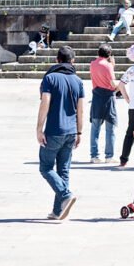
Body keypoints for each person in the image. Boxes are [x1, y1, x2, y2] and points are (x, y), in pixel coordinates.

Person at [36, 45, 85, 220]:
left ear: (57, 60)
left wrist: (39, 128)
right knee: (63, 170)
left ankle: (65, 195)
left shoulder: (50, 78)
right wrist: (79, 132)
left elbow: (45, 102)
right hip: (71, 131)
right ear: (73, 61)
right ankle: (58, 211)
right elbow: (81, 109)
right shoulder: (78, 81)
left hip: (54, 130)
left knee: (45, 167)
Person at [89, 43, 119, 163]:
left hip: (96, 96)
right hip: (108, 97)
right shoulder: (108, 66)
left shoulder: (92, 64)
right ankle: (109, 156)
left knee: (95, 127)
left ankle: (94, 155)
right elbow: (113, 84)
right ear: (109, 54)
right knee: (110, 128)